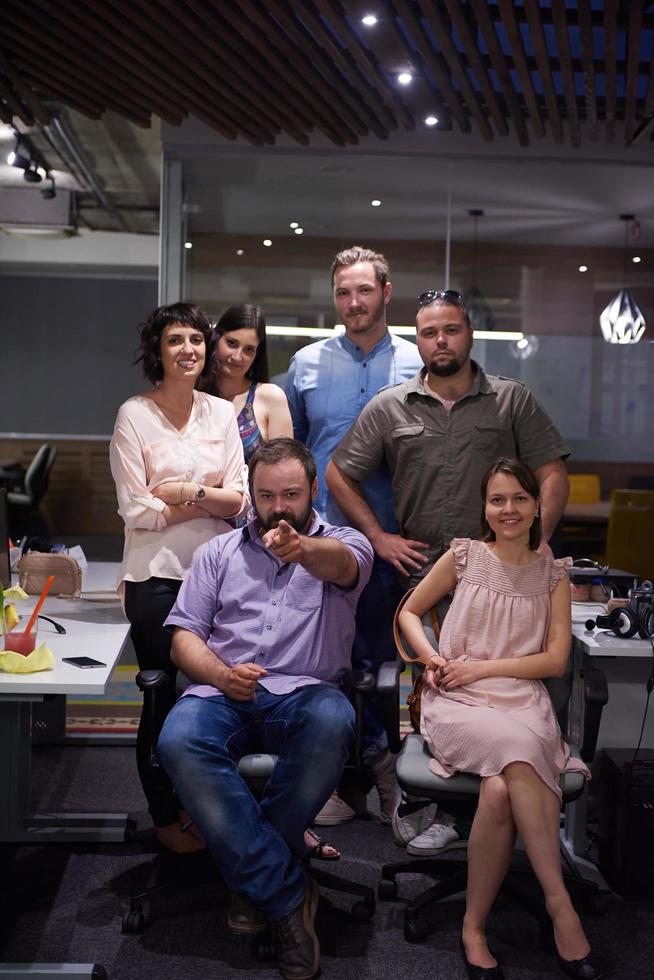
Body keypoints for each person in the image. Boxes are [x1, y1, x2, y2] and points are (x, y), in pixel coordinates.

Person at [156, 438, 374, 980]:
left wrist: (301, 550)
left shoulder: (346, 545)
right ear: (251, 496)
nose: (279, 507)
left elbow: (341, 565)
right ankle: (284, 893)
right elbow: (183, 636)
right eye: (266, 495)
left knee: (332, 718)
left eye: (292, 494)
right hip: (223, 692)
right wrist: (219, 675)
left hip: (304, 695)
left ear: (314, 491)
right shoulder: (218, 553)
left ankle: (256, 881)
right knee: (177, 738)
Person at [398, 457, 600, 980]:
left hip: (520, 700)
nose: (508, 510)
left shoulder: (553, 575)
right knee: (518, 751)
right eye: (497, 500)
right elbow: (408, 612)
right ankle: (561, 908)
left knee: (497, 790)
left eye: (519, 499)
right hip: (458, 701)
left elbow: (555, 661)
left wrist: (481, 668)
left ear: (537, 507)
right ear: (485, 508)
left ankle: (473, 926)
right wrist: (434, 658)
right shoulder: (463, 557)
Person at [285, 245, 422, 825]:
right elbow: (286, 451)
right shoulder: (306, 363)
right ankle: (341, 780)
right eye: (344, 292)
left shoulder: (420, 361)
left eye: (364, 290)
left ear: (386, 293)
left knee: (383, 663)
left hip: (398, 539)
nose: (354, 302)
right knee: (326, 662)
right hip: (321, 542)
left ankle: (386, 772)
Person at [110, 302, 248, 853]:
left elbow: (239, 501)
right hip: (156, 578)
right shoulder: (133, 415)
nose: (188, 349)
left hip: (218, 577)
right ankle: (167, 816)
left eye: (196, 339)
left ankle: (213, 804)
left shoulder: (220, 413)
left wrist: (179, 493)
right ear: (157, 351)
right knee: (162, 696)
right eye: (175, 340)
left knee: (218, 694)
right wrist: (205, 501)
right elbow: (135, 509)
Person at [327, 288, 570, 586]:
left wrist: (538, 537)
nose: (440, 340)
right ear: (418, 340)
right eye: (429, 333)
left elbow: (553, 473)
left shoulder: (512, 399)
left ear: (470, 334)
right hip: (419, 578)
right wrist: (378, 538)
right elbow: (338, 474)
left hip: (501, 574)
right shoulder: (389, 406)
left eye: (451, 330)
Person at [204, 303, 293, 460]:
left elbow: (282, 469)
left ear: (257, 354)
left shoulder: (270, 397)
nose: (237, 356)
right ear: (216, 339)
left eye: (249, 349)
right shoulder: (193, 392)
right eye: (231, 343)